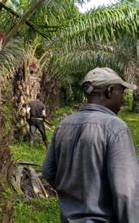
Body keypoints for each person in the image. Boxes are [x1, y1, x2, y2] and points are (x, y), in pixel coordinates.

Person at [42, 67, 138, 222]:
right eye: (122, 92)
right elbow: (125, 191)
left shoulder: (64, 125)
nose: (123, 99)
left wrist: (74, 191)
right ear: (110, 91)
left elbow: (48, 171)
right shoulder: (115, 127)